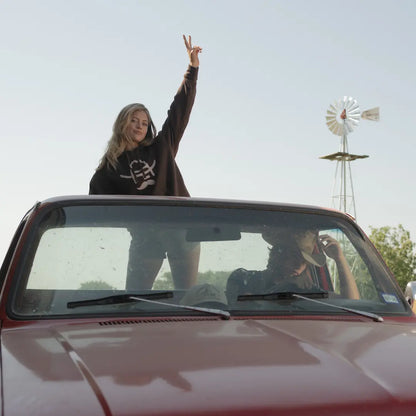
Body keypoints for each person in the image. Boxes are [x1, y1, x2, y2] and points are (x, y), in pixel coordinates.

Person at [89, 35, 202, 290]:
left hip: (181, 229)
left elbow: (179, 110)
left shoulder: (161, 148)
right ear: (122, 123)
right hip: (146, 237)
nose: (140, 126)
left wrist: (192, 69)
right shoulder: (108, 170)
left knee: (188, 297)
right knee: (134, 298)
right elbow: (98, 209)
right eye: (134, 120)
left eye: (144, 122)